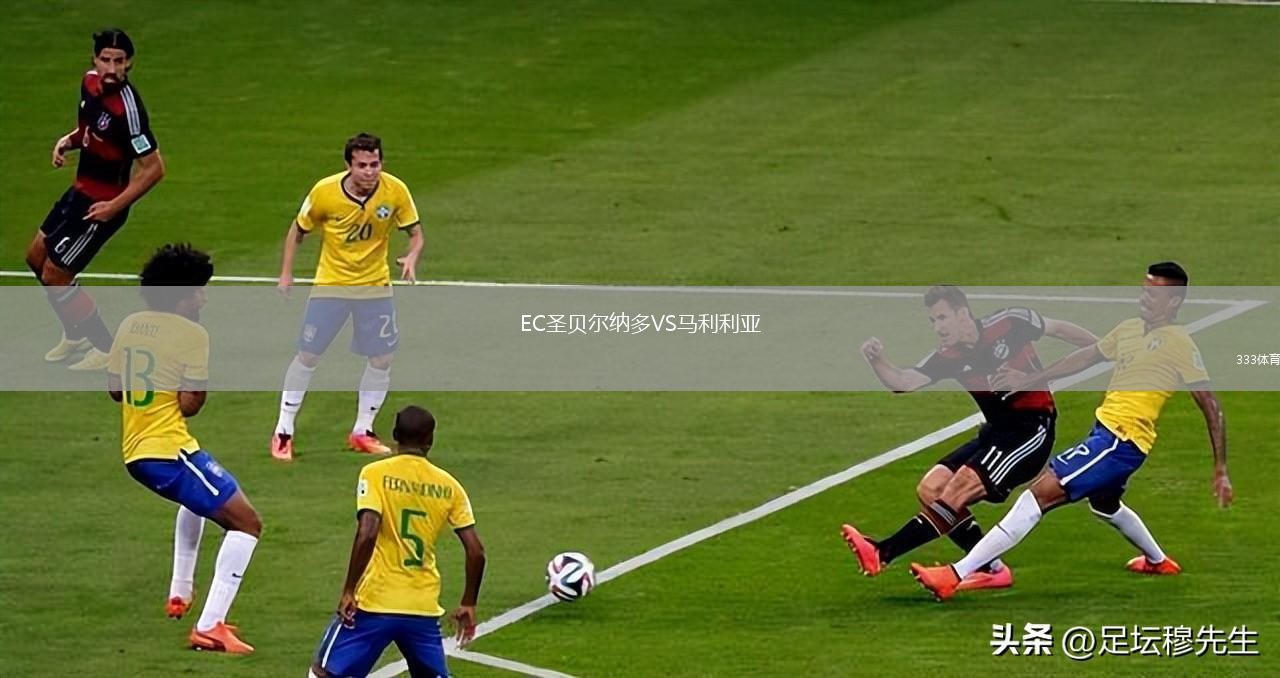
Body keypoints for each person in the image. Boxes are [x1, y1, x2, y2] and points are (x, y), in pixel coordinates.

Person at [911, 262, 1233, 601]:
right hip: (1106, 433)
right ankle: (1158, 561)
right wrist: (1031, 379)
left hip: (1120, 441)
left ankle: (955, 574)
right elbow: (1084, 358)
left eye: (1155, 294)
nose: (1144, 297)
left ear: (1174, 301)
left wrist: (1221, 468)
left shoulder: (1179, 344)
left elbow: (1210, 403)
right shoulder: (1129, 330)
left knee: (1036, 497)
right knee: (1105, 504)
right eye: (1144, 289)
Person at [843, 284, 1097, 591]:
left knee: (959, 487)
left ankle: (883, 552)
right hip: (996, 433)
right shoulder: (948, 356)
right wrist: (877, 360)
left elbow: (1058, 328)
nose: (938, 328)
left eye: (942, 318)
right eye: (933, 321)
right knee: (932, 488)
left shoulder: (1009, 322)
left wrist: (1103, 348)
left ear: (962, 313)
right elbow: (903, 382)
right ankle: (991, 569)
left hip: (1030, 431)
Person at [107, 243, 261, 653]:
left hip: (137, 449)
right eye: (198, 290)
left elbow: (116, 390)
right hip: (167, 451)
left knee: (197, 501)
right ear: (180, 295)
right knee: (247, 523)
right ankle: (210, 627)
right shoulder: (192, 335)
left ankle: (180, 591)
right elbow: (191, 404)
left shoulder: (130, 325)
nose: (204, 298)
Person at [272, 133, 425, 461]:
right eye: (362, 165)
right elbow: (297, 231)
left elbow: (416, 233)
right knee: (308, 355)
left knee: (382, 359)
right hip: (332, 286)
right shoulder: (325, 192)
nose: (369, 172)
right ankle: (283, 431)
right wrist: (286, 273)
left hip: (375, 286)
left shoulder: (395, 190)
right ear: (349, 166)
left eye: (375, 164)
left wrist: (412, 255)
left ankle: (362, 431)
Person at [309, 405, 486, 678]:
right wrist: (468, 602)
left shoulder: (375, 473)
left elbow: (368, 532)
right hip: (422, 607)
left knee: (324, 672)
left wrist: (349, 590)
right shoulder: (450, 486)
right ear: (430, 440)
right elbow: (476, 551)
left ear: (394, 435)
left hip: (375, 602)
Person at [28, 28, 166, 371]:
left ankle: (106, 347)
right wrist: (68, 141)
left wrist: (113, 207)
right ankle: (76, 334)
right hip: (79, 191)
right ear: (95, 59)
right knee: (35, 257)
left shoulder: (129, 111)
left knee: (55, 275)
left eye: (119, 61)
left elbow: (154, 169)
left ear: (129, 63)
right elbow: (89, 129)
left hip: (102, 205)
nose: (112, 68)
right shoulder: (88, 84)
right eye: (106, 59)